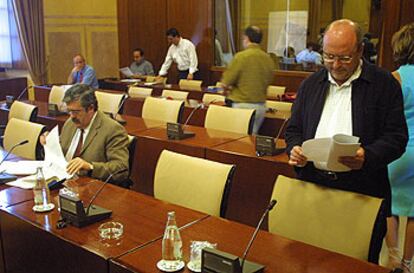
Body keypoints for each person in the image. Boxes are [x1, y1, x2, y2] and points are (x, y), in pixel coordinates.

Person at [285, 19, 408, 263]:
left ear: (360, 50)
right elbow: (293, 129)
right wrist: (295, 149)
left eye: (344, 58)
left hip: (362, 189)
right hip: (314, 186)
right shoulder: (311, 85)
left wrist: (367, 156)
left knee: (357, 261)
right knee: (311, 257)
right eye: (329, 57)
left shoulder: (383, 84)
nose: (336, 65)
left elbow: (397, 138)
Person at [41, 84, 130, 186]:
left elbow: (121, 168)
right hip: (63, 182)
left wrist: (90, 166)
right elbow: (60, 153)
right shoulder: (70, 123)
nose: (72, 116)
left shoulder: (113, 130)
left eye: (75, 111)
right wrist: (49, 143)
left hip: (91, 188)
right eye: (69, 111)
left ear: (91, 108)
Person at [385, 22, 414, 273]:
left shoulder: (394, 78)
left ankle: (392, 259)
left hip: (400, 150)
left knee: (389, 206)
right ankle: (408, 263)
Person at [221, 26, 274, 134]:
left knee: (240, 142)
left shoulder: (241, 57)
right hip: (260, 106)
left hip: (242, 105)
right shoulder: (268, 58)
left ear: (246, 38)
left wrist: (226, 90)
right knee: (251, 140)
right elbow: (269, 80)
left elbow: (226, 81)